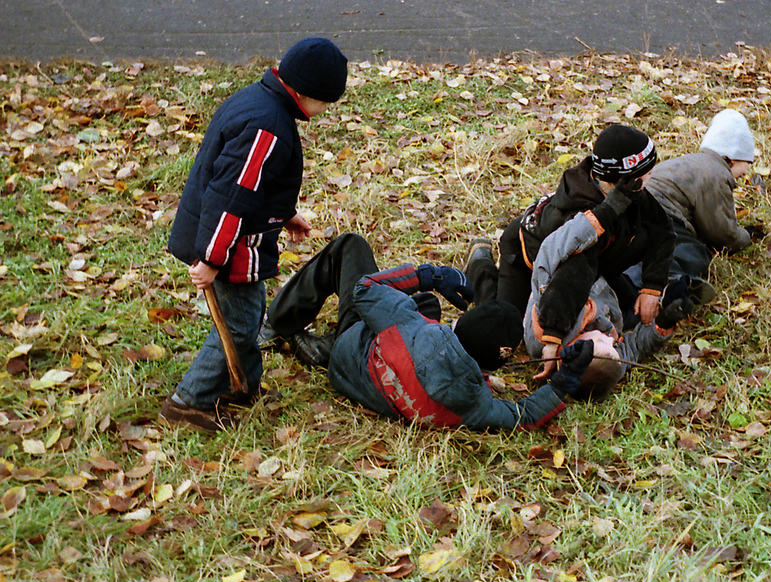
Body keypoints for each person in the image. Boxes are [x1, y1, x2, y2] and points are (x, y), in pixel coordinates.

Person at [159, 38, 349, 432]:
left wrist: (286, 214)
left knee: (248, 311)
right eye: (327, 102)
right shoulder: (268, 128)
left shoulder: (258, 100)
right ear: (306, 92)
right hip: (226, 245)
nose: (327, 110)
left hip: (234, 238)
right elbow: (230, 199)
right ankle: (188, 403)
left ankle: (239, 384)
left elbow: (253, 186)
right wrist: (211, 259)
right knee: (240, 323)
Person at [258, 233, 594, 431]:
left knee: (350, 246)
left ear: (459, 326)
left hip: (355, 356)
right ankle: (323, 348)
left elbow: (364, 288)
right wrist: (565, 381)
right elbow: (525, 416)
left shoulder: (409, 324)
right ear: (489, 367)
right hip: (375, 388)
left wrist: (429, 274)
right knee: (426, 304)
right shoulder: (476, 403)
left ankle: (278, 324)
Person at [466, 124, 675, 332]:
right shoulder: (579, 213)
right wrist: (553, 333)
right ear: (626, 179)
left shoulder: (630, 192)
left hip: (597, 257)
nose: (650, 179)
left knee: (632, 309)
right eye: (647, 174)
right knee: (504, 326)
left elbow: (663, 229)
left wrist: (652, 288)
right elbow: (568, 276)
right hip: (529, 256)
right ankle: (480, 264)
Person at [518, 209, 695, 390]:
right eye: (614, 346)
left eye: (605, 343)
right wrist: (664, 323)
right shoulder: (605, 360)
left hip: (565, 257)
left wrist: (593, 222)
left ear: (575, 350)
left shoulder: (546, 330)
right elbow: (635, 349)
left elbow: (548, 260)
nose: (612, 341)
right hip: (604, 284)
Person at [623, 108, 764, 304]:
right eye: (747, 162)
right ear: (732, 158)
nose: (745, 172)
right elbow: (723, 235)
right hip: (662, 217)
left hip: (632, 212)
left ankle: (628, 275)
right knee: (693, 251)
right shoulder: (717, 173)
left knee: (645, 248)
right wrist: (746, 236)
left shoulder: (690, 161)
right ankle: (662, 281)